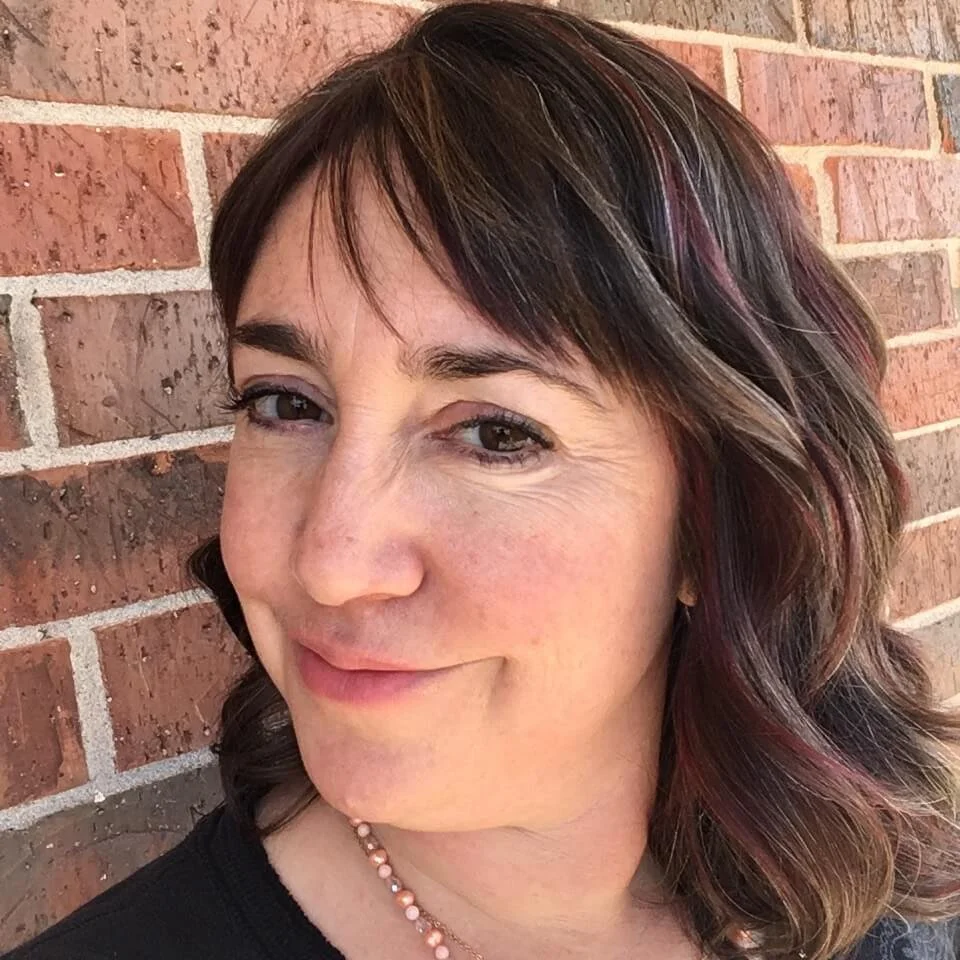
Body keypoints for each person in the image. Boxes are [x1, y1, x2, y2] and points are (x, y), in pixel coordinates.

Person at [4, 2, 960, 959]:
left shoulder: (895, 896)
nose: (332, 564)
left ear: (721, 520)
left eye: (497, 433)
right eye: (286, 405)